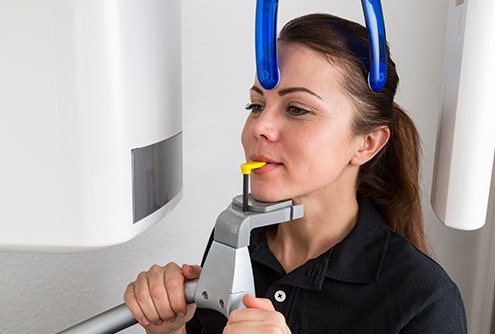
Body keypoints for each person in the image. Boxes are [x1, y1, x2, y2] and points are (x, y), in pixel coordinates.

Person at [123, 13, 467, 334]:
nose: (260, 127)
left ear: (367, 143)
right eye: (256, 105)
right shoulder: (235, 237)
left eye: (297, 109)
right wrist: (173, 330)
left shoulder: (424, 301)